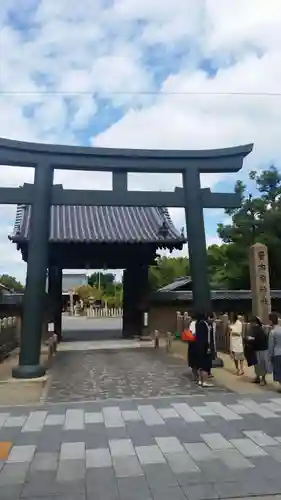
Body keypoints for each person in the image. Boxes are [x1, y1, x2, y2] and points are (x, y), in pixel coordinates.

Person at [245, 316, 269, 385]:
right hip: (255, 349)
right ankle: (258, 377)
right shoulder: (253, 329)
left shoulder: (260, 329)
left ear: (255, 322)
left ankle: (263, 379)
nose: (250, 324)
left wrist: (251, 339)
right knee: (257, 365)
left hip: (262, 349)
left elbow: (260, 339)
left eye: (251, 322)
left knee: (262, 364)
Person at [195, 312, 213, 388]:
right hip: (205, 347)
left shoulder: (197, 324)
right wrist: (208, 347)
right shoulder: (205, 325)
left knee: (200, 364)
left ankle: (200, 380)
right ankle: (205, 381)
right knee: (206, 365)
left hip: (198, 346)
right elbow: (207, 338)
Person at [268, 312, 281, 389]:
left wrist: (269, 357)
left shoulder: (272, 332)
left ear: (271, 321)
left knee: (278, 370)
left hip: (277, 353)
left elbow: (271, 346)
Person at [187, 316, 198, 382]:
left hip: (193, 343)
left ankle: (195, 375)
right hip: (194, 342)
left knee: (194, 359)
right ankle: (195, 375)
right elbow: (191, 333)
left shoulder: (193, 323)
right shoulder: (193, 323)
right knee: (194, 359)